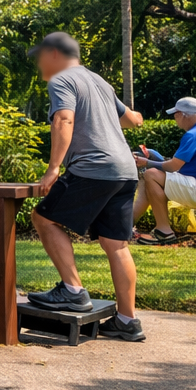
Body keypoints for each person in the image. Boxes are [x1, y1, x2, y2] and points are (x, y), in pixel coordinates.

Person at [25, 32, 146, 342]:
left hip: (94, 168)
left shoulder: (62, 79)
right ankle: (127, 321)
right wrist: (134, 117)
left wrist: (53, 168)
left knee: (43, 218)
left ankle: (73, 290)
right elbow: (133, 120)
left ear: (54, 53)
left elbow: (64, 119)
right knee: (115, 244)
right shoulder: (99, 82)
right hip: (125, 171)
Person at [131, 97, 196, 245]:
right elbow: (177, 165)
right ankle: (125, 225)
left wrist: (147, 162)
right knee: (148, 178)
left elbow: (172, 167)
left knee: (151, 174)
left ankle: (164, 232)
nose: (175, 119)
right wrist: (154, 158)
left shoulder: (193, 135)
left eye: (176, 115)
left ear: (184, 115)